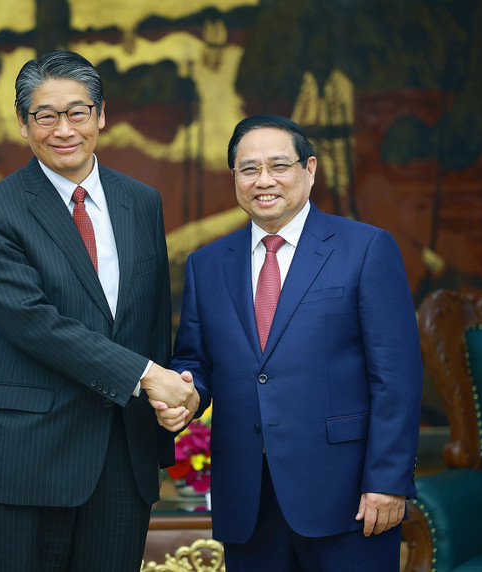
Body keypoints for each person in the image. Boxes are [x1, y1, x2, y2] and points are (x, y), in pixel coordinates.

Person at [0, 49, 196, 571]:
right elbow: (33, 322)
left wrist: (171, 405)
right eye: (46, 115)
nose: (63, 129)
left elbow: (153, 317)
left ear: (101, 116)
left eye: (78, 112)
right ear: (24, 124)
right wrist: (148, 375)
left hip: (123, 454)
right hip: (30, 455)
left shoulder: (142, 201)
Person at [153, 115, 422, 571]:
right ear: (234, 177)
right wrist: (187, 393)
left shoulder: (366, 248)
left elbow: (395, 377)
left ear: (309, 169)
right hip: (248, 501)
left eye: (279, 166)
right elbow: (195, 359)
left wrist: (389, 481)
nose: (264, 181)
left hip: (349, 498)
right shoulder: (207, 263)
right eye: (249, 169)